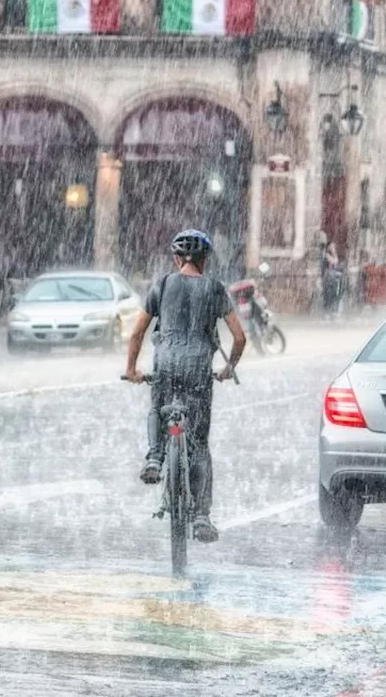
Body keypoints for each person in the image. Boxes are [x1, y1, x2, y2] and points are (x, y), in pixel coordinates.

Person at [124, 229, 247, 544]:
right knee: (199, 447)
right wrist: (228, 367)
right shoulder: (215, 288)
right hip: (197, 371)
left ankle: (154, 457)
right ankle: (202, 517)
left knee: (157, 406)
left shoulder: (163, 285)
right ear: (205, 260)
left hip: (166, 365)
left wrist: (131, 369)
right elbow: (239, 337)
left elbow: (137, 333)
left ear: (176, 258)